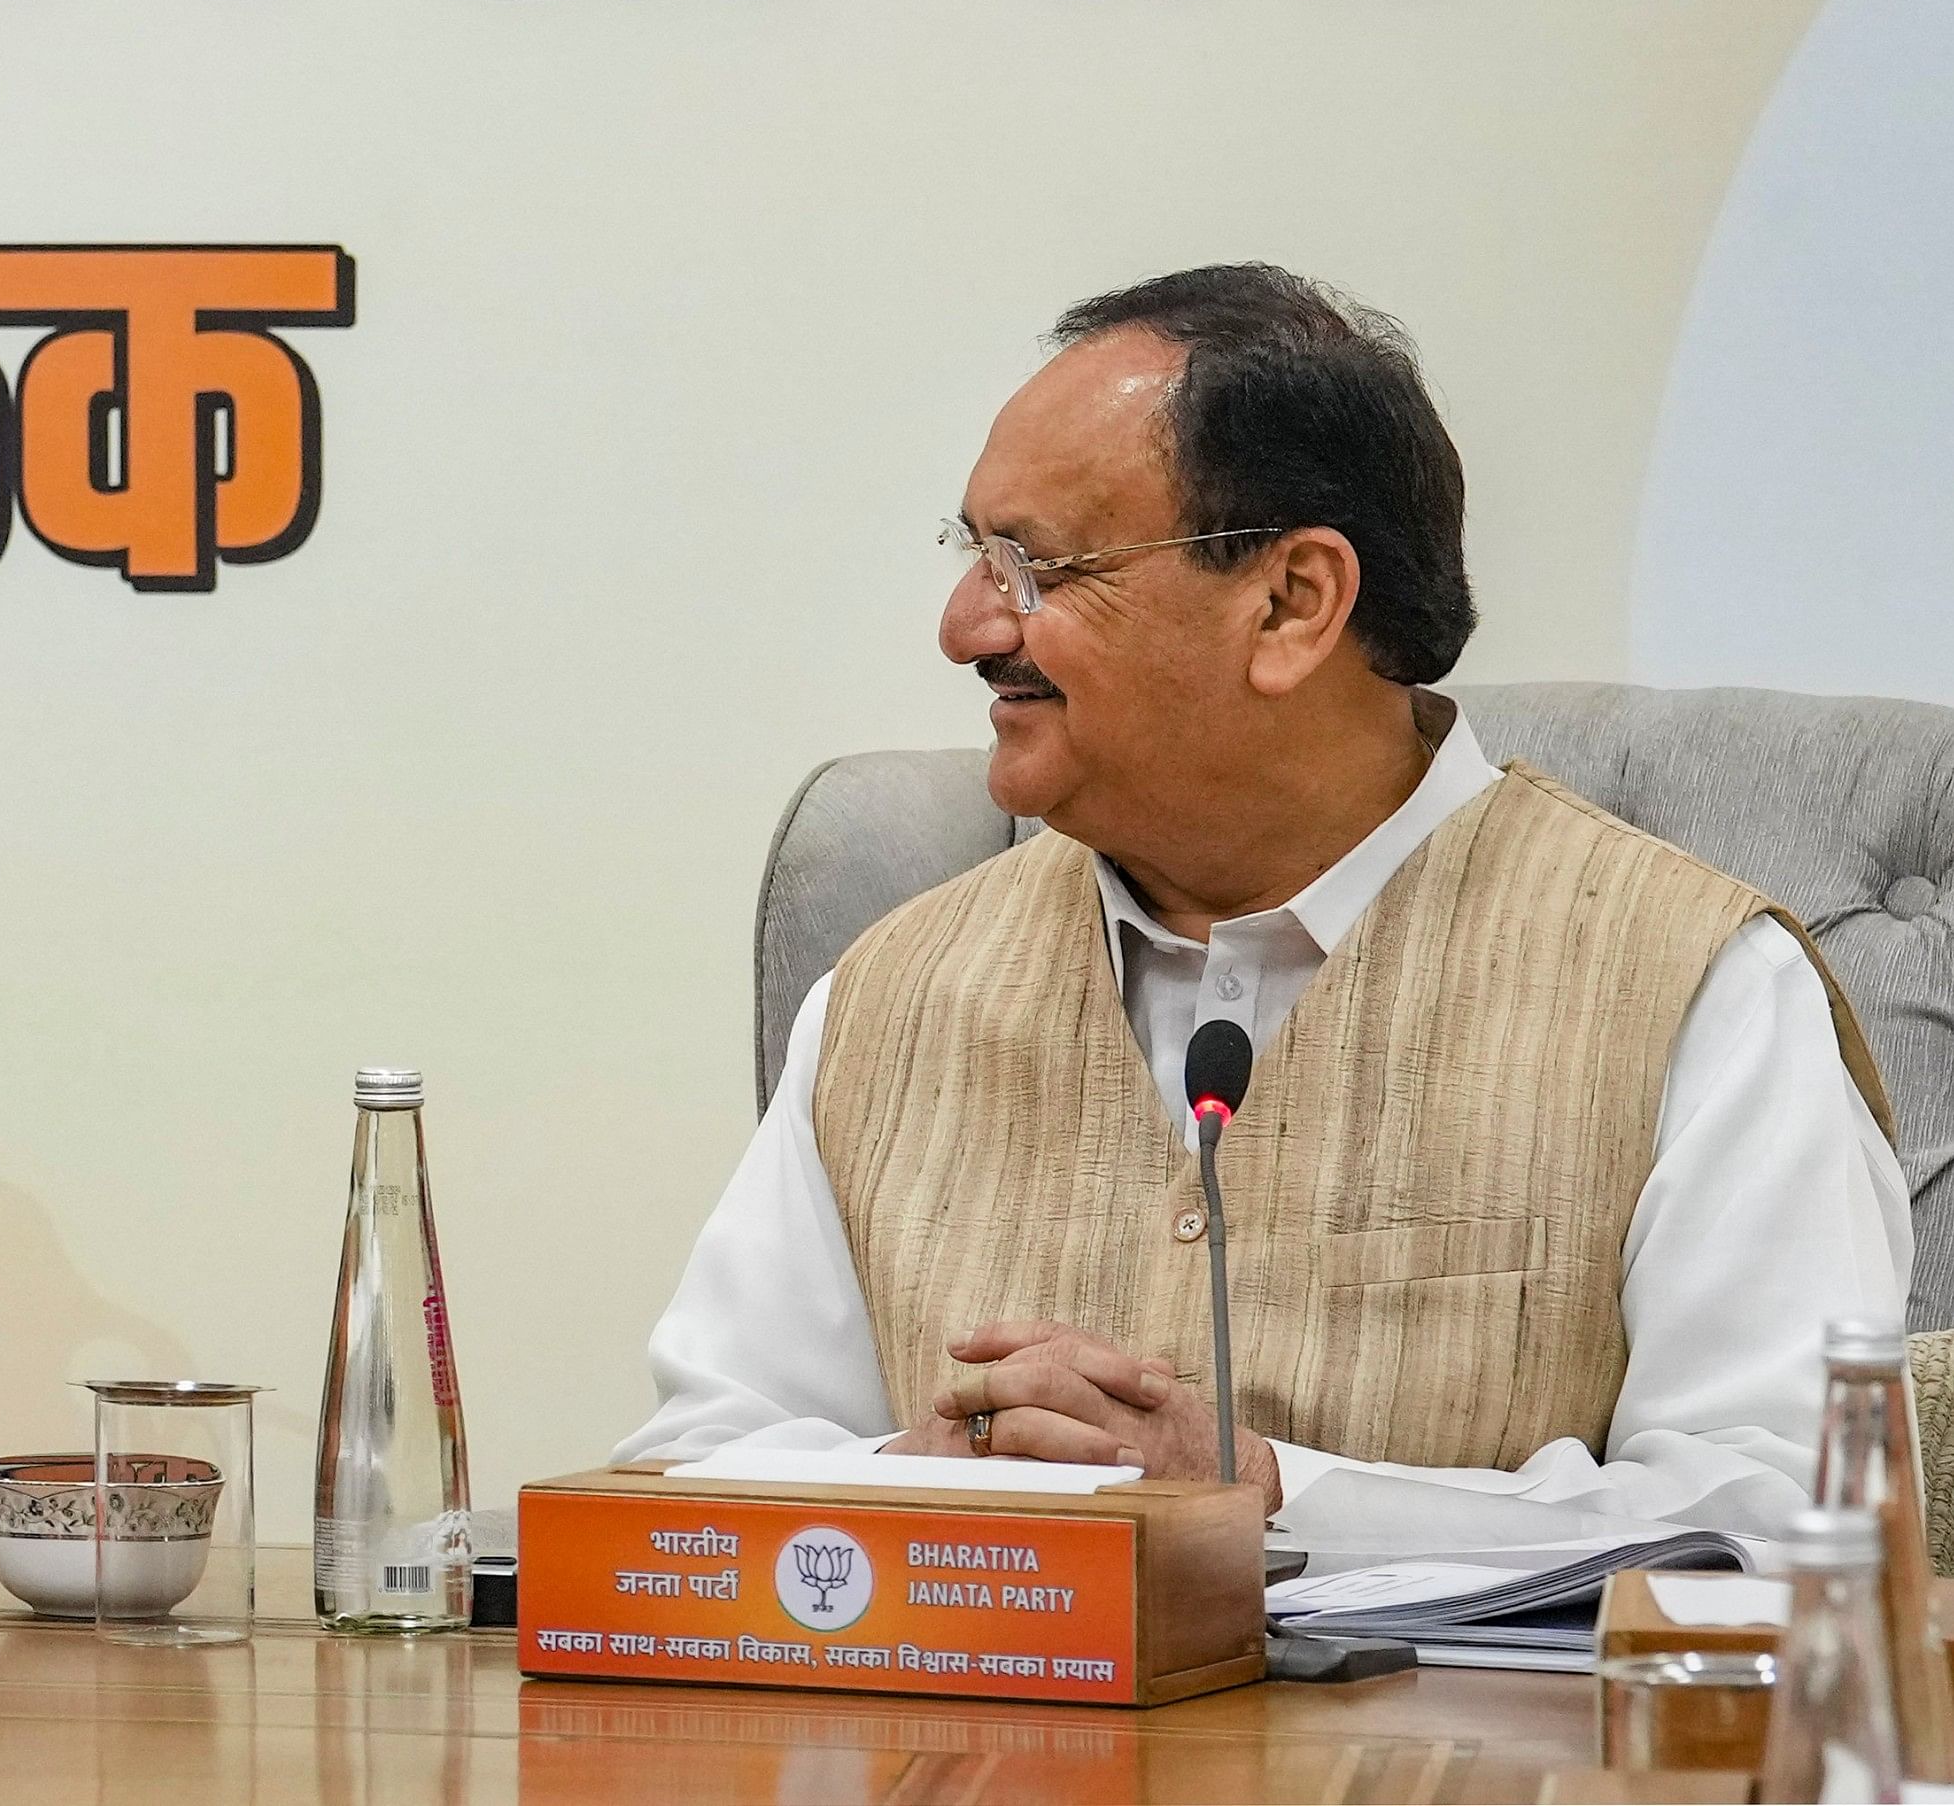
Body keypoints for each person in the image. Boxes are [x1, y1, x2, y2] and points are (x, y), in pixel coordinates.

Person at [621, 265, 1909, 1546]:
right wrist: (924, 1484)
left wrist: (1281, 1498)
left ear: (1292, 603)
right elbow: (698, 1465)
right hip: (982, 1758)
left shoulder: (1695, 987)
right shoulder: (894, 992)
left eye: (1037, 569)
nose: (966, 627)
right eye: (975, 556)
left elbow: (1793, 1521)